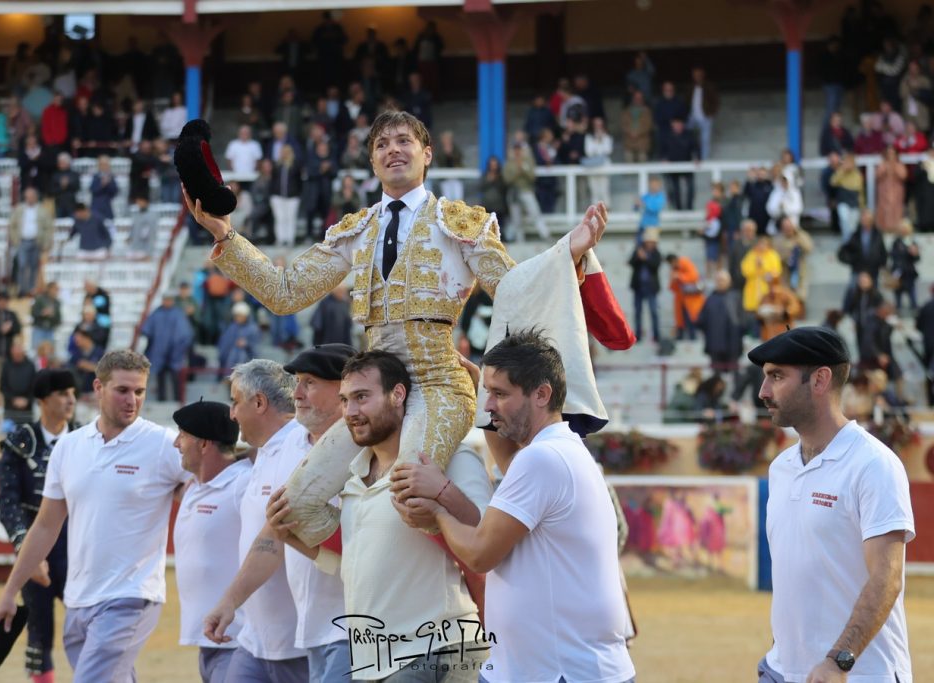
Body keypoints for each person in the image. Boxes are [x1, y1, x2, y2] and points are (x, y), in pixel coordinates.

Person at [186, 109, 612, 550]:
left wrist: (568, 252)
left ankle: (485, 563)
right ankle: (362, 570)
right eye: (382, 144)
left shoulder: (459, 222)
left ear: (427, 154)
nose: (393, 150)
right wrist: (227, 237)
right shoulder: (357, 230)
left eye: (404, 141)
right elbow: (286, 292)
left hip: (437, 385)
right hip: (374, 388)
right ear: (372, 162)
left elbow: (512, 289)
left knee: (409, 491)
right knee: (293, 507)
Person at [392, 331, 636, 683]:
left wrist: (438, 512)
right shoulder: (559, 448)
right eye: (487, 394)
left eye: (500, 394)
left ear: (542, 394)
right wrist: (482, 392)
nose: (489, 405)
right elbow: (508, 464)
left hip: (559, 673)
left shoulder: (542, 459)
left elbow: (479, 554)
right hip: (556, 669)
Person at [266, 350, 492, 680]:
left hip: (431, 650)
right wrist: (292, 537)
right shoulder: (355, 478)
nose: (351, 412)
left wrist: (443, 491)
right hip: (371, 660)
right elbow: (358, 569)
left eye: (361, 397)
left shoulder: (451, 459)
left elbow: (487, 539)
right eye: (345, 400)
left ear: (397, 395)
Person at [0, 351, 190, 682]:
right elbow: (45, 525)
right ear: (98, 387)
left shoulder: (164, 444)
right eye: (122, 390)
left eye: (139, 392)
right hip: (79, 600)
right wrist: (10, 592)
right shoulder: (69, 447)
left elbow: (204, 490)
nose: (132, 400)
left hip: (131, 596)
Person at [750, 327, 914, 683]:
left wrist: (839, 661)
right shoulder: (781, 468)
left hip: (858, 674)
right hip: (782, 672)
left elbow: (887, 578)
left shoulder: (873, 464)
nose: (763, 392)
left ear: (820, 380)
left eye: (776, 376)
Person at [203, 346, 354, 682]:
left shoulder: (367, 447)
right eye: (297, 382)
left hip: (352, 626)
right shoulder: (287, 445)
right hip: (309, 628)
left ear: (343, 389)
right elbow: (272, 534)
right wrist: (230, 601)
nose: (296, 393)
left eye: (309, 383)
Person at [200, 360, 310, 682]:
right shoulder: (266, 451)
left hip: (296, 644)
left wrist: (228, 600)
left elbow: (273, 538)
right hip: (256, 639)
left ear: (259, 403)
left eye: (236, 401)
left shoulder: (299, 447)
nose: (231, 413)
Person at [0, 369, 77, 683]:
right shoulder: (19, 442)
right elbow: (8, 502)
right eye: (61, 393)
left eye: (72, 392)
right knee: (39, 632)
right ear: (43, 401)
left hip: (78, 544)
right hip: (36, 545)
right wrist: (25, 551)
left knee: (90, 625)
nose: (71, 399)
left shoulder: (87, 437)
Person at [171, 400, 251, 683]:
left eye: (182, 435)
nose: (175, 443)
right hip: (210, 639)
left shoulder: (244, 484)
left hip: (239, 639)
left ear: (204, 444)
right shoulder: (194, 485)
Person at [140, 292, 194, 402]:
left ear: (172, 301)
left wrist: (178, 347)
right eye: (165, 299)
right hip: (159, 352)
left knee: (176, 378)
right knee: (161, 377)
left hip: (175, 352)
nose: (167, 302)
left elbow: (185, 333)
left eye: (169, 300)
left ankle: (178, 401)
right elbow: (146, 329)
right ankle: (161, 399)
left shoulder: (178, 314)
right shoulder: (157, 313)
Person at [9, 186, 55, 297]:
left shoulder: (42, 210)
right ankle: (22, 289)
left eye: (32, 197)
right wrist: (15, 239)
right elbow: (12, 225)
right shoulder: (19, 209)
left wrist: (46, 242)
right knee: (22, 265)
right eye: (27, 197)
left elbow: (49, 227)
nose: (29, 199)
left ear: (36, 197)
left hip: (36, 241)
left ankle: (31, 289)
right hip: (22, 241)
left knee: (34, 266)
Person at [628, 228, 662, 343]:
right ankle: (638, 335)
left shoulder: (656, 253)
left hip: (651, 287)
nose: (650, 244)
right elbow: (631, 263)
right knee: (638, 312)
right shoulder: (638, 250)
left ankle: (656, 335)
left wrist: (645, 258)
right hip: (639, 287)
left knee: (653, 312)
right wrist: (638, 257)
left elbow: (655, 266)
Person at [667, 253, 705, 341]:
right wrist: (673, 278)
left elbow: (694, 276)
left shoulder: (686, 263)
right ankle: (680, 338)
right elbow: (672, 288)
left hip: (690, 299)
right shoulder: (674, 270)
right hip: (681, 299)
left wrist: (679, 276)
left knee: (691, 320)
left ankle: (693, 338)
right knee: (681, 321)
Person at [1, 342, 38, 425]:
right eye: (15, 352)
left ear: (23, 352)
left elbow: (35, 386)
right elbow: (3, 386)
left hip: (27, 411)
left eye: (19, 352)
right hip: (10, 409)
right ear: (11, 352)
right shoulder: (6, 365)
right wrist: (13, 399)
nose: (17, 355)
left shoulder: (30, 365)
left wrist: (27, 400)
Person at [889, 219, 921, 311]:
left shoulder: (912, 241)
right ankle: (898, 310)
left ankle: (914, 309)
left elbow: (917, 259)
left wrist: (914, 253)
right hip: (899, 272)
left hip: (909, 272)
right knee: (898, 294)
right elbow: (893, 255)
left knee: (912, 293)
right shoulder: (896, 242)